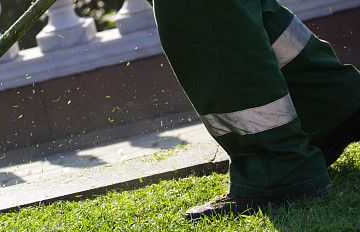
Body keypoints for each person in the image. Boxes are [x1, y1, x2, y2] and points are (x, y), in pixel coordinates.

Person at [150, 0, 360, 220]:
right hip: (329, 105)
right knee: (233, 6)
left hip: (280, 166)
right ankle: (329, 105)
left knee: (198, 9)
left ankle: (275, 166)